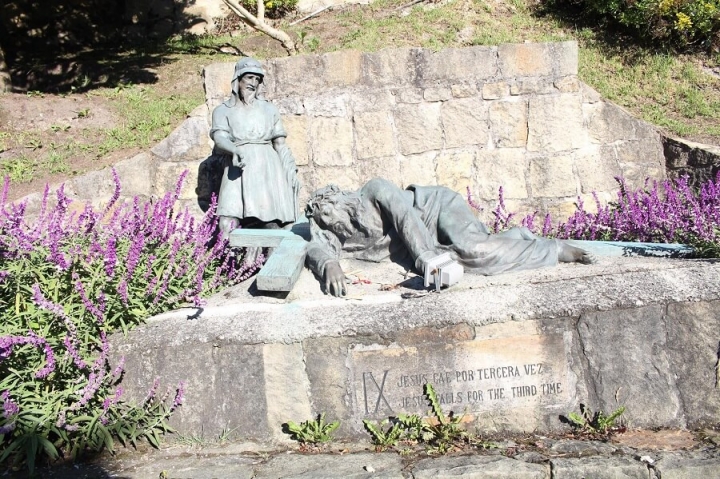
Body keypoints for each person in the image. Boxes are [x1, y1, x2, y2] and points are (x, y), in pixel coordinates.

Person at [305, 178, 595, 297]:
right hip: (424, 245)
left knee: (473, 250)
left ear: (339, 199)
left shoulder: (374, 190)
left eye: (329, 213)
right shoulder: (336, 233)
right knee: (471, 262)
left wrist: (427, 257)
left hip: (436, 211)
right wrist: (329, 264)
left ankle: (554, 249)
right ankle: (516, 238)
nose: (330, 221)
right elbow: (316, 248)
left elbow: (405, 216)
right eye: (323, 220)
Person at [210, 57, 300, 241]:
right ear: (238, 79)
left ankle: (270, 262)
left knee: (272, 221)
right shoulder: (222, 110)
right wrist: (234, 149)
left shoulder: (269, 109)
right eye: (249, 77)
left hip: (267, 166)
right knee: (227, 219)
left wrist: (289, 172)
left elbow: (280, 143)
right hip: (238, 167)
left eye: (257, 79)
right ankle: (227, 259)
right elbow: (219, 137)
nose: (253, 83)